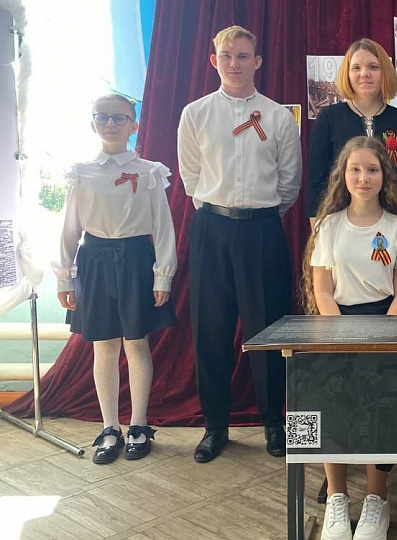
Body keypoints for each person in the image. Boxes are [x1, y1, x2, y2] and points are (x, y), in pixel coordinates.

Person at [177, 25, 302, 463]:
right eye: (227, 56)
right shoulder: (195, 114)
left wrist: (258, 217)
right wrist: (221, 212)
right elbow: (191, 177)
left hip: (262, 231)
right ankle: (215, 426)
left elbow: (289, 183)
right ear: (214, 61)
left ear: (257, 61)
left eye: (243, 56)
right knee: (210, 330)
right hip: (211, 229)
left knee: (266, 330)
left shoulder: (278, 117)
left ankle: (273, 422)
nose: (235, 63)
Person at [305, 136, 397, 540]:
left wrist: (382, 336)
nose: (363, 177)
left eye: (372, 169)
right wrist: (341, 335)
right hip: (336, 325)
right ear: (343, 175)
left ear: (384, 176)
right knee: (327, 398)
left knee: (379, 402)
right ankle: (337, 498)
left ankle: (376, 499)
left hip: (386, 325)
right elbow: (322, 289)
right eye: (355, 169)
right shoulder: (329, 226)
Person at [53, 93, 177, 464]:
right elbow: (70, 228)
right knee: (103, 345)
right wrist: (64, 278)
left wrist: (163, 275)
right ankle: (110, 427)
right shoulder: (81, 172)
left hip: (137, 260)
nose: (110, 123)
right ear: (93, 123)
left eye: (119, 118)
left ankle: (138, 424)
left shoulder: (149, 171)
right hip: (94, 261)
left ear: (133, 125)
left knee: (136, 344)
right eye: (103, 117)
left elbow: (163, 227)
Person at [306, 38, 397, 225]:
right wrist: (318, 228)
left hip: (392, 225)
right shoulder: (329, 119)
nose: (364, 74)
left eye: (373, 67)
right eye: (356, 68)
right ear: (347, 74)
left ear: (385, 72)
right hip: (339, 225)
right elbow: (316, 180)